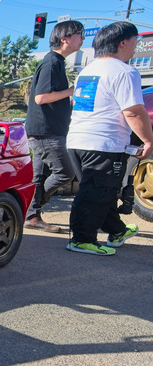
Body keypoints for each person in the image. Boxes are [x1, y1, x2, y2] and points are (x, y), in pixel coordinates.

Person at [66, 21, 153, 255]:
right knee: (96, 192)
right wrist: (148, 140)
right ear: (123, 42)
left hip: (77, 140)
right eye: (135, 41)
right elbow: (133, 111)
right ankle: (81, 239)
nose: (136, 47)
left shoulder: (88, 70)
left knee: (100, 190)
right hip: (103, 143)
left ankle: (117, 230)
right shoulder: (124, 71)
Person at [23, 20, 85, 233]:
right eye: (80, 34)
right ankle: (32, 207)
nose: (83, 38)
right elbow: (41, 98)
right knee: (65, 172)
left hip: (44, 130)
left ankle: (31, 215)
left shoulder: (56, 62)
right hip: (46, 130)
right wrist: (71, 91)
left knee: (38, 177)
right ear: (65, 38)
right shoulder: (52, 63)